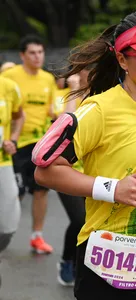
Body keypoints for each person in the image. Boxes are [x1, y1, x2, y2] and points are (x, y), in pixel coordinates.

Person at [33, 11, 136, 300]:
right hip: (112, 246)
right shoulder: (98, 110)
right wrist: (112, 189)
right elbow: (45, 171)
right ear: (122, 60)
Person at [2, 35, 56, 254]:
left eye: (41, 52)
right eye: (32, 53)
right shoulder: (9, 77)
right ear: (22, 55)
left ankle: (37, 236)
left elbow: (51, 110)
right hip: (15, 145)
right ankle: (7, 231)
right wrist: (12, 138)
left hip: (40, 143)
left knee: (41, 190)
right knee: (15, 192)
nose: (38, 57)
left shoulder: (47, 79)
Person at [53, 72, 86, 286]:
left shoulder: (104, 96)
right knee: (79, 219)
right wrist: (74, 92)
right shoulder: (63, 96)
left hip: (93, 173)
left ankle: (83, 265)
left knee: (91, 223)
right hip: (64, 171)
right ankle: (67, 260)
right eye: (88, 70)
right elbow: (65, 128)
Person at [0, 76, 24, 287]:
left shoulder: (8, 87)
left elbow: (19, 116)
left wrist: (13, 139)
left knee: (8, 224)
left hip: (3, 163)